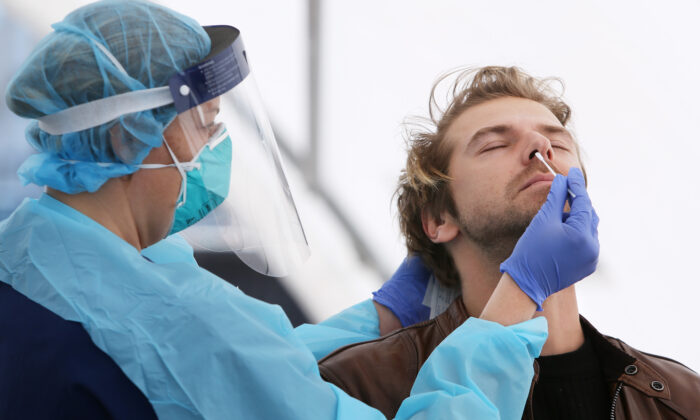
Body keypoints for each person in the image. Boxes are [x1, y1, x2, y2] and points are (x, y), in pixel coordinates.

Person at [0, 3, 599, 419]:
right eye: (204, 128)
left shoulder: (43, 251)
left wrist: (382, 318)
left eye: (554, 141)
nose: (539, 153)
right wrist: (518, 296)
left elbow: (259, 366)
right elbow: (222, 362)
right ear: (128, 140)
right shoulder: (172, 320)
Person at [318, 66, 700, 419]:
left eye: (559, 143)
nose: (540, 147)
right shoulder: (353, 386)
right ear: (438, 218)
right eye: (494, 145)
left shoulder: (683, 399)